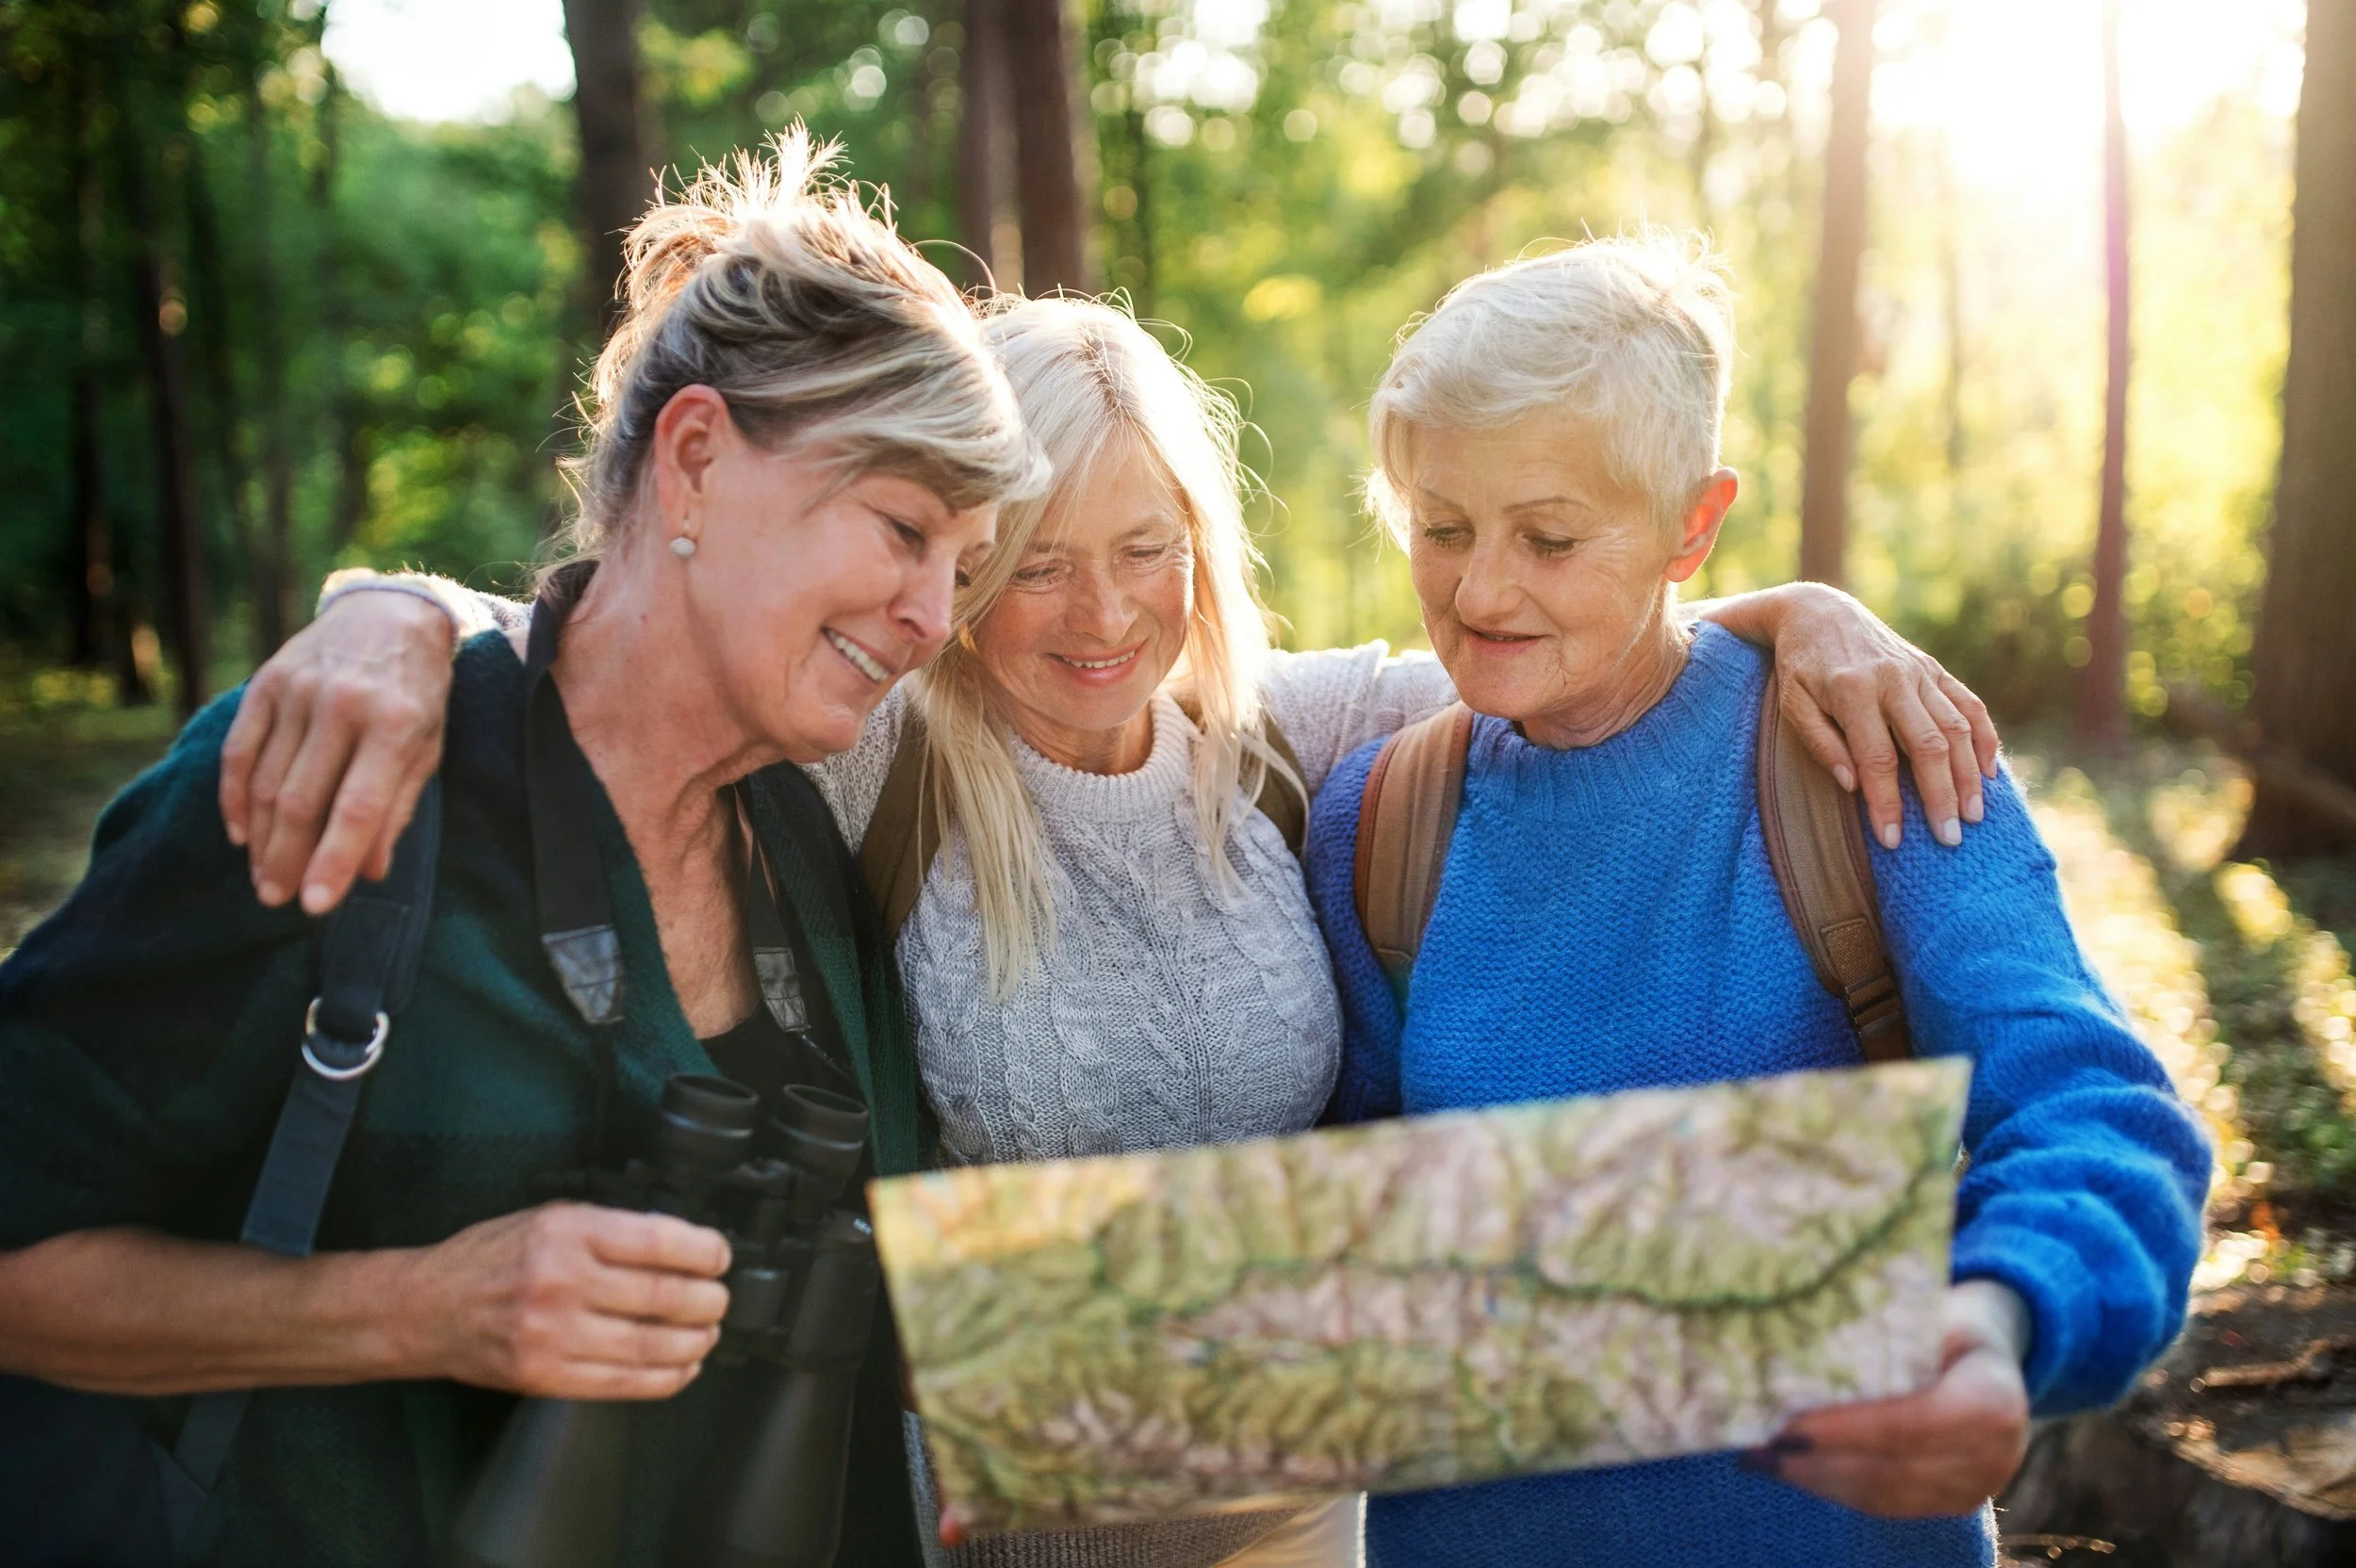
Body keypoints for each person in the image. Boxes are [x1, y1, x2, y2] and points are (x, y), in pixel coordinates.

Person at [232, 290, 2003, 1568]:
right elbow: (590, 650)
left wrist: (1807, 615)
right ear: (959, 571)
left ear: (1202, 546)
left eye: (1147, 549)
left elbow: (1574, 626)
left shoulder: (1286, 735)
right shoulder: (874, 753)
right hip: (991, 1511)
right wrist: (389, 612)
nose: (1100, 619)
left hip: (1303, 1513)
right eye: (1035, 564)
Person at [0, 134, 1042, 1567]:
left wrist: (1321, 1332)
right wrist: (422, 1312)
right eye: (905, 529)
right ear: (693, 463)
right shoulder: (342, 783)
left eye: (962, 567)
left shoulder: (808, 832)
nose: (934, 619)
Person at [1301, 233, 2211, 1567]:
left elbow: (2096, 1109)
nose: (1480, 589)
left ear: (1695, 526)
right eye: (1442, 528)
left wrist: (2003, 1316)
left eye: (1550, 537)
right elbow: (1334, 1229)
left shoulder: (1870, 760)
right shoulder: (1379, 822)